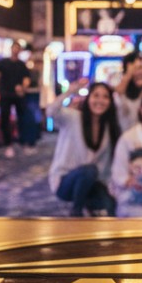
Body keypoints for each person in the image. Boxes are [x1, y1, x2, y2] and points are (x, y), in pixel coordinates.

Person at [47, 79, 120, 216]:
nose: (100, 101)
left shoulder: (109, 127)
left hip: (92, 183)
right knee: (89, 170)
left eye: (105, 97)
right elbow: (51, 111)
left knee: (111, 204)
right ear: (88, 98)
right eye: (96, 95)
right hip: (64, 182)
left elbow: (105, 166)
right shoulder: (73, 118)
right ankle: (76, 212)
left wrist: (109, 188)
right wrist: (70, 91)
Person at [0, 41, 30, 159]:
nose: (15, 50)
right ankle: (8, 144)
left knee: (22, 119)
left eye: (18, 48)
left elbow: (27, 78)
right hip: (5, 94)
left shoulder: (22, 64)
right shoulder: (3, 63)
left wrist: (23, 88)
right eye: (14, 48)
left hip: (18, 96)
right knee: (5, 119)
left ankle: (23, 142)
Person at [114, 50, 142, 133]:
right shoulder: (121, 94)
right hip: (127, 139)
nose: (141, 72)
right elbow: (118, 92)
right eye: (136, 68)